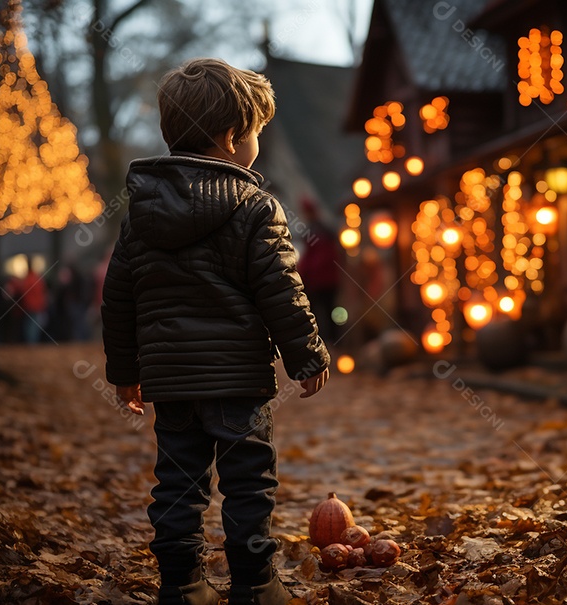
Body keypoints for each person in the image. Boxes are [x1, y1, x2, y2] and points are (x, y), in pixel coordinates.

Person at [101, 57, 330, 605]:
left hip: (171, 383)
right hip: (237, 383)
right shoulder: (255, 208)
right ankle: (255, 584)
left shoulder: (141, 215)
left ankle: (181, 584)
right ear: (231, 138)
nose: (257, 142)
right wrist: (308, 354)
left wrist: (125, 374)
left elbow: (119, 297)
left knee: (178, 483)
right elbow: (281, 291)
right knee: (248, 482)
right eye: (254, 132)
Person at [296, 198, 341, 342]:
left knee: (318, 312)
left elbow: (314, 259)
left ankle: (323, 341)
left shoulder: (315, 231)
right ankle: (331, 341)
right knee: (328, 310)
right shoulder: (325, 230)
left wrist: (302, 273)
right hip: (329, 280)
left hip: (318, 281)